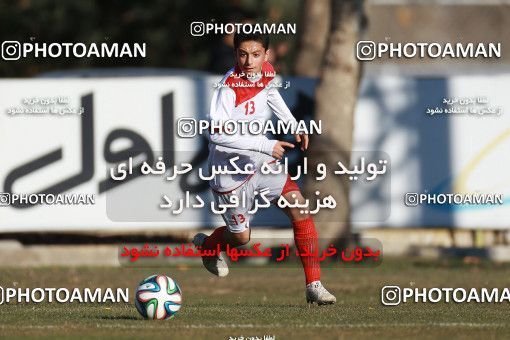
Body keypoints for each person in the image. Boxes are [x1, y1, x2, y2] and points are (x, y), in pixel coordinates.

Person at [193, 29, 336, 305]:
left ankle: (314, 285)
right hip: (230, 172)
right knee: (241, 238)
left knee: (300, 208)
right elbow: (216, 133)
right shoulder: (227, 88)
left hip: (260, 163)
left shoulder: (267, 72)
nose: (249, 62)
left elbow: (272, 96)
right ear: (235, 54)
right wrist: (264, 144)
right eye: (243, 54)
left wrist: (294, 125)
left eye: (255, 55)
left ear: (266, 55)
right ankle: (209, 245)